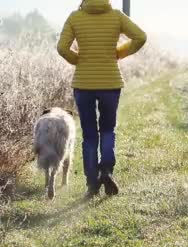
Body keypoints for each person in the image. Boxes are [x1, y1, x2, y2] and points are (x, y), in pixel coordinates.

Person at [57, 0, 146, 198]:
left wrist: (78, 60)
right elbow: (140, 37)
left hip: (83, 84)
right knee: (107, 130)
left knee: (89, 135)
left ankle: (92, 184)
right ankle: (106, 170)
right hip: (110, 83)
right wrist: (118, 53)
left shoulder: (75, 17)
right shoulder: (116, 16)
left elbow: (62, 48)